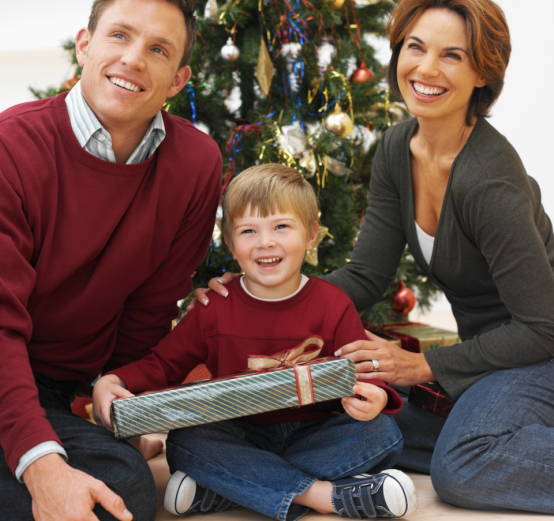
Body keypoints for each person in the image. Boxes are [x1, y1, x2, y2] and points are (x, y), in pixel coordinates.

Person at [197, 0, 554, 514]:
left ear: (482, 73)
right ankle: (249, 476)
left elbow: (541, 328)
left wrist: (421, 367)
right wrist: (259, 296)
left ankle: (478, 441)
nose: (426, 68)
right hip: (486, 359)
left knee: (463, 466)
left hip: (537, 355)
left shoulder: (489, 182)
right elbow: (366, 274)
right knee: (358, 412)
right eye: (415, 46)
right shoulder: (396, 147)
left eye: (451, 55)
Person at [0, 0, 222, 521]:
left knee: (123, 489)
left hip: (46, 394)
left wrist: (122, 410)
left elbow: (149, 312)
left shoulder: (195, 166)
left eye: (158, 49)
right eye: (120, 36)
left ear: (178, 79)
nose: (133, 59)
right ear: (85, 45)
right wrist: (42, 467)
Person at [93, 163, 419, 521]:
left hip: (316, 431)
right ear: (231, 245)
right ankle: (325, 496)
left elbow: (363, 371)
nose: (266, 242)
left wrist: (374, 397)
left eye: (281, 226)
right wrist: (115, 381)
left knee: (383, 434)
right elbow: (162, 364)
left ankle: (229, 487)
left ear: (311, 235)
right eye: (249, 231)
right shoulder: (213, 306)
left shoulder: (333, 303)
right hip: (241, 432)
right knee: (187, 442)